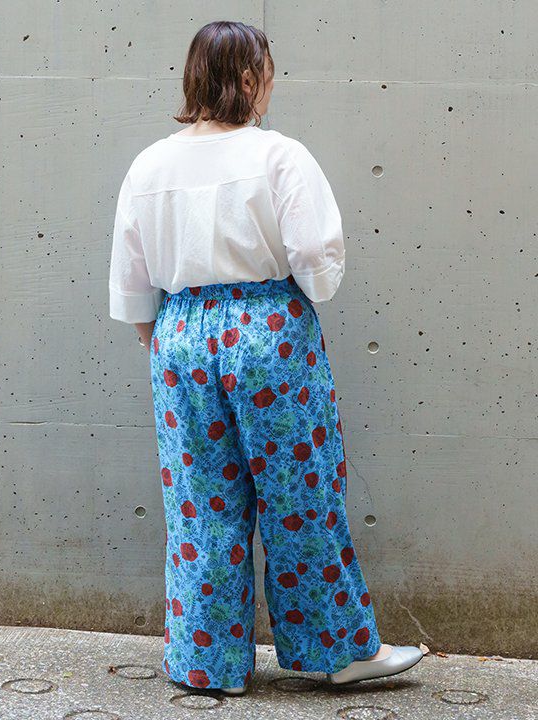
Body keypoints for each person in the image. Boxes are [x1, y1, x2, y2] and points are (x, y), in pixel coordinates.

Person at [108, 20, 423, 696]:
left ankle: (209, 665)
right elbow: (318, 266)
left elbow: (132, 284)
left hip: (179, 334)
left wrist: (169, 339)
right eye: (269, 75)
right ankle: (338, 652)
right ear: (250, 79)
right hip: (267, 330)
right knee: (300, 495)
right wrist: (289, 299)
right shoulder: (280, 156)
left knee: (199, 504)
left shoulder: (149, 165)